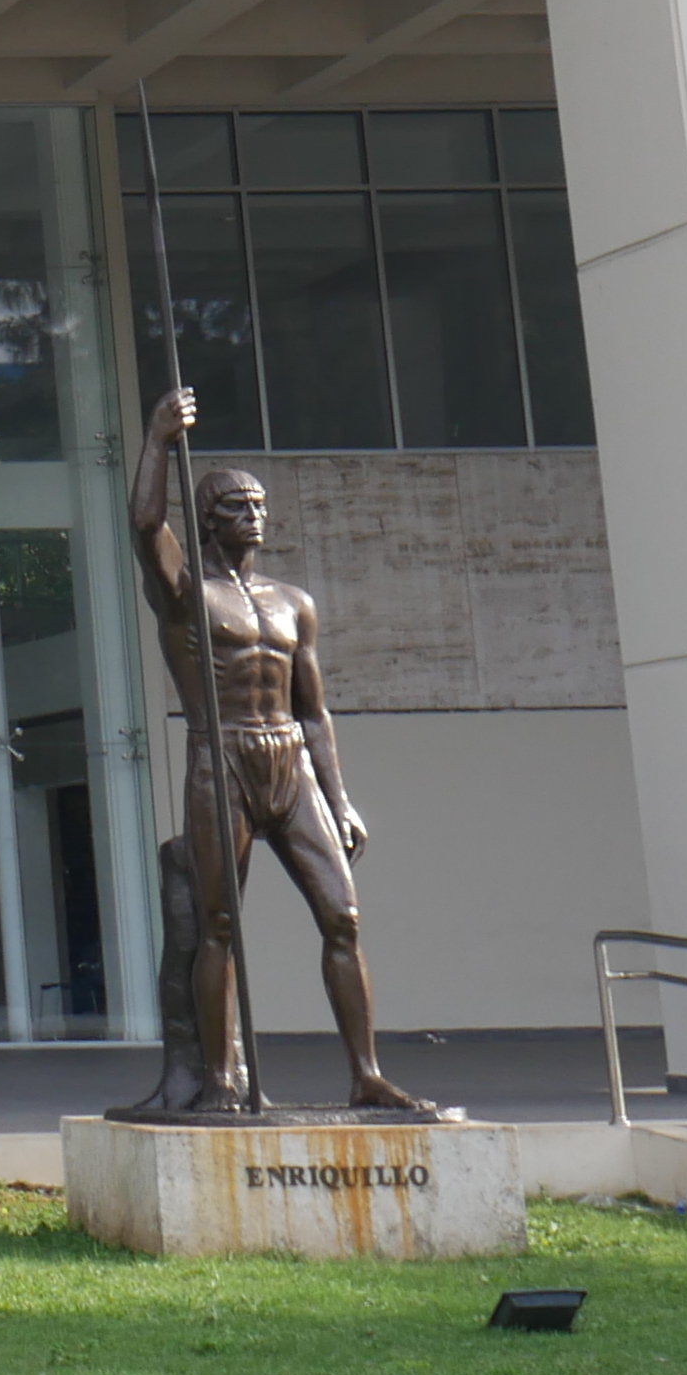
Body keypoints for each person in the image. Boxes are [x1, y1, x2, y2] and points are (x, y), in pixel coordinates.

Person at [131, 382, 431, 1118]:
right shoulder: (186, 594)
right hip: (222, 758)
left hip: (289, 759)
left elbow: (316, 712)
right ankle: (222, 1080)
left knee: (342, 917)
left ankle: (366, 1074)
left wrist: (341, 798)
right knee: (218, 925)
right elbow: (144, 526)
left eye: (260, 504)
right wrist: (159, 440)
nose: (254, 516)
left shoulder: (294, 602)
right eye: (238, 506)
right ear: (207, 520)